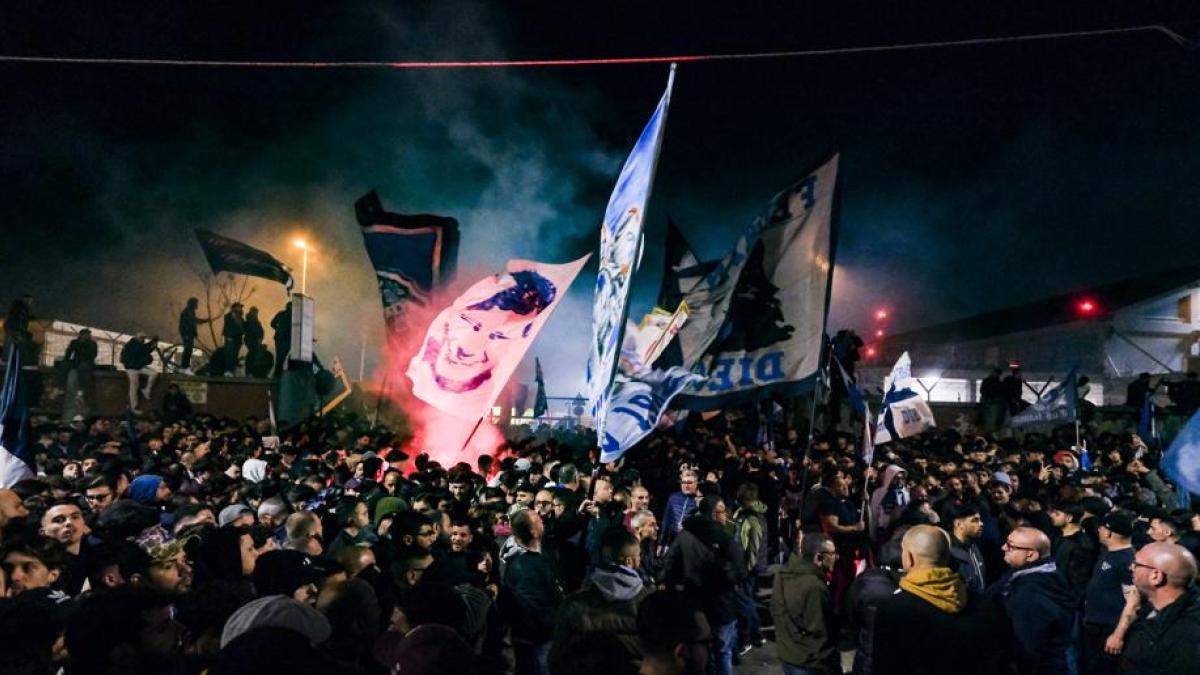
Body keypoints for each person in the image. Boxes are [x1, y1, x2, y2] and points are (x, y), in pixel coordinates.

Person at [872, 525, 1004, 675]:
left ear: (910, 558)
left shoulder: (894, 609)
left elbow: (886, 666)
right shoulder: (981, 603)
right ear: (947, 557)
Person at [663, 490, 744, 675]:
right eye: (723, 511)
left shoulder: (684, 535)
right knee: (722, 652)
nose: (727, 515)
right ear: (715, 513)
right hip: (721, 605)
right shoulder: (726, 540)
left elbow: (670, 565)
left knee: (699, 651)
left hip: (692, 603)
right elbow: (739, 573)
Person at [993, 525, 1076, 675]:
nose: (1003, 547)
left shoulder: (1030, 594)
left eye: (1011, 546)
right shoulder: (1046, 573)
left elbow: (1027, 648)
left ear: (1031, 555)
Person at [1119, 542, 1200, 674]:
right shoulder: (1153, 609)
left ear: (1156, 576)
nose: (1130, 567)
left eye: (1136, 564)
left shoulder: (1188, 637)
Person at [499, 508, 563, 675]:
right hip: (538, 641)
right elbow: (531, 606)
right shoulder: (523, 566)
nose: (543, 522)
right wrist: (551, 627)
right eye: (539, 521)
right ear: (534, 532)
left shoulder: (541, 555)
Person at [770, 531, 840, 675]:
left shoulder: (782, 574)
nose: (836, 557)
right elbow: (820, 632)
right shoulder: (815, 587)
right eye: (832, 554)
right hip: (809, 663)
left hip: (787, 654)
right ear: (819, 557)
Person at [1082, 511, 1135, 675]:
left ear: (1109, 532)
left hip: (1109, 630)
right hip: (1095, 625)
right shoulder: (1109, 552)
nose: (1098, 530)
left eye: (1101, 527)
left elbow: (1132, 602)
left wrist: (1117, 635)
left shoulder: (1128, 560)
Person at [941, 501, 986, 595]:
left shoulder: (973, 546)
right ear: (958, 524)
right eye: (975, 520)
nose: (981, 524)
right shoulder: (947, 554)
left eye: (980, 520)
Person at [659, 469, 700, 554]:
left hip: (690, 543)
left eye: (689, 483)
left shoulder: (699, 501)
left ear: (696, 484)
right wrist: (660, 543)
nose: (686, 485)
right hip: (671, 540)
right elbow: (666, 521)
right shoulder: (673, 498)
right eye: (683, 482)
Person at [119, 333, 157, 414]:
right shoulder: (132, 345)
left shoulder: (135, 344)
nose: (143, 340)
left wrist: (152, 343)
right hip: (132, 368)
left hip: (137, 366)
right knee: (134, 387)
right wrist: (152, 342)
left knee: (153, 374)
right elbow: (144, 350)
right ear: (138, 338)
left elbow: (144, 349)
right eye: (142, 338)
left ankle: (146, 390)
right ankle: (134, 407)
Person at [177, 297, 212, 374]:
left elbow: (193, 323)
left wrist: (194, 333)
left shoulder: (189, 311)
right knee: (188, 350)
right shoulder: (188, 311)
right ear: (192, 304)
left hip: (188, 334)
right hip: (187, 334)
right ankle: (184, 367)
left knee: (188, 350)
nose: (197, 305)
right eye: (196, 303)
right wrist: (205, 320)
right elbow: (194, 321)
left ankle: (185, 367)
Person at [220, 303, 245, 375]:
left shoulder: (241, 319)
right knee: (229, 355)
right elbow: (228, 327)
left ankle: (231, 370)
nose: (240, 308)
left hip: (237, 340)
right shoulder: (229, 316)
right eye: (239, 307)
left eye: (241, 307)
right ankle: (227, 370)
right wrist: (228, 337)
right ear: (234, 308)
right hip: (230, 339)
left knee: (234, 355)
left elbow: (243, 330)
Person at [270, 302, 292, 378]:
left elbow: (272, 323)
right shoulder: (293, 315)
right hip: (287, 338)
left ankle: (277, 373)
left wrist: (278, 329)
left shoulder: (281, 313)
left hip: (279, 338)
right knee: (281, 357)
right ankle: (277, 374)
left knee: (280, 356)